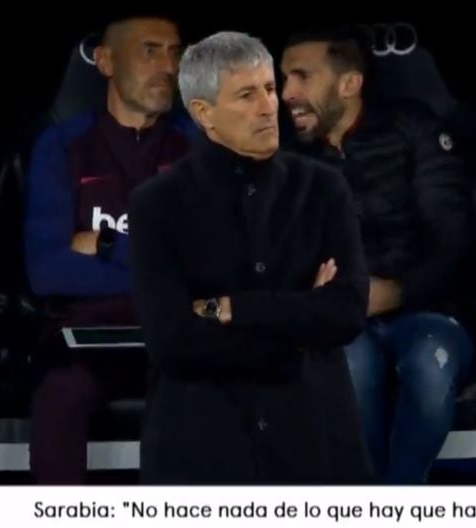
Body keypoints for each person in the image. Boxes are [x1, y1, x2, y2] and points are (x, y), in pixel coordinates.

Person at [128, 31, 373, 483]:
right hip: (204, 445)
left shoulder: (323, 189)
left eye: (267, 89)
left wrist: (231, 308)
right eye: (246, 95)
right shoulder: (157, 204)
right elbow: (172, 341)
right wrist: (296, 336)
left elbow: (346, 311)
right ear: (204, 114)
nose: (267, 107)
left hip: (313, 439)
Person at [280, 26, 475, 483]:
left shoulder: (415, 129)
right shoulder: (284, 159)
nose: (286, 93)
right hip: (339, 321)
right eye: (283, 78)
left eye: (302, 77)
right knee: (350, 369)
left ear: (349, 84)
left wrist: (397, 292)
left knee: (429, 367)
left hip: (427, 313)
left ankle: (398, 497)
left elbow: (456, 242)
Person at [24, 14, 187, 484]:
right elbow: (47, 269)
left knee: (194, 397)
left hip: (171, 333)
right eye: (150, 51)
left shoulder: (197, 147)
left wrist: (106, 245)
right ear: (105, 61)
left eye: (175, 52)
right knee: (59, 394)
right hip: (85, 335)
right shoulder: (62, 145)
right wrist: (155, 259)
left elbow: (204, 266)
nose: (167, 66)